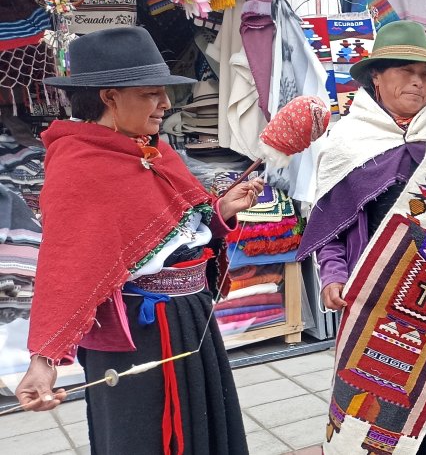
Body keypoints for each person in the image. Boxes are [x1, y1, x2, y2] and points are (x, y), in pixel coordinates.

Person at [15, 26, 263, 455]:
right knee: (145, 436)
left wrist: (220, 210)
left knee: (202, 424)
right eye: (152, 94)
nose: (166, 104)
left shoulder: (153, 153)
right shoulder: (80, 167)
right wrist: (43, 360)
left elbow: (177, 228)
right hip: (140, 331)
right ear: (110, 97)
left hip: (190, 317)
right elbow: (67, 266)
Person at [296, 20, 426, 454]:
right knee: (387, 403)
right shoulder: (347, 143)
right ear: (376, 76)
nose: (417, 81)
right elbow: (331, 229)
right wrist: (334, 276)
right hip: (382, 302)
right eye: (404, 70)